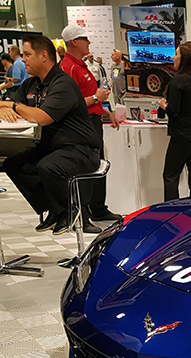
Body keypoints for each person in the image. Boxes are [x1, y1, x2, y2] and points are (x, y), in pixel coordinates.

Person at [0, 35, 100, 236]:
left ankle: (71, 211)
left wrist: (14, 106)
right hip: (50, 148)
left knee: (48, 166)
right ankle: (55, 210)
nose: (23, 60)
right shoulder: (32, 84)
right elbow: (5, 102)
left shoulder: (63, 84)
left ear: (43, 56)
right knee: (13, 164)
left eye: (27, 54)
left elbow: (42, 117)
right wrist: (4, 107)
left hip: (81, 150)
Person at [60, 24, 122, 229]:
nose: (89, 42)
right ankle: (83, 214)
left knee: (97, 165)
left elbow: (86, 98)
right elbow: (70, 102)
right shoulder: (68, 67)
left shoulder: (82, 65)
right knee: (86, 167)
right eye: (85, 39)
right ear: (74, 42)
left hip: (93, 121)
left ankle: (98, 207)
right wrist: (96, 98)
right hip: (81, 125)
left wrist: (105, 111)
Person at [159, 42, 191, 201]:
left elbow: (173, 110)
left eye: (177, 54)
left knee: (170, 176)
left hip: (181, 135)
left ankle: (171, 210)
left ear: (184, 58)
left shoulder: (178, 80)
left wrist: (163, 105)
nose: (173, 57)